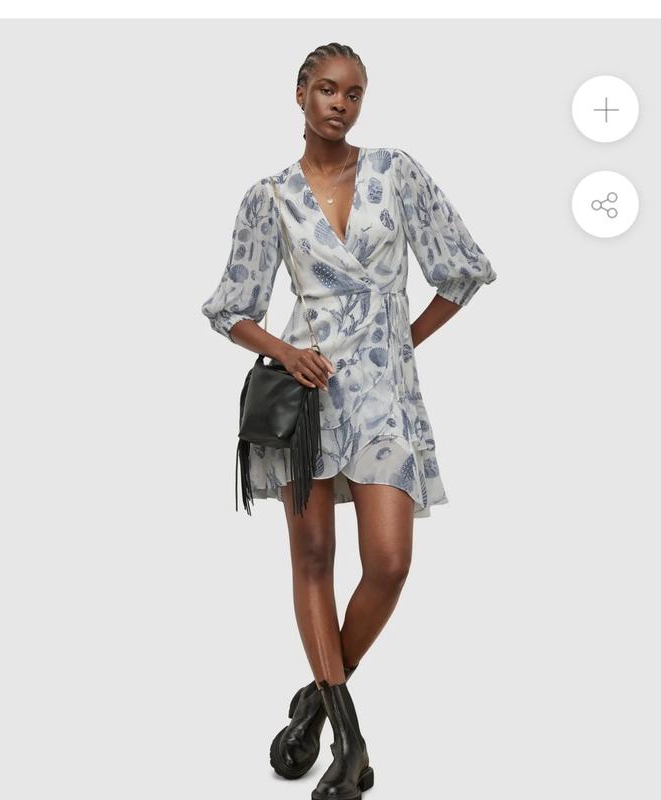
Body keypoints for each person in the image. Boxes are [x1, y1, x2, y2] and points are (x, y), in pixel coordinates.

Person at [201, 42, 497, 800]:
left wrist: (401, 343)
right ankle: (350, 743)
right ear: (300, 93)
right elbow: (230, 306)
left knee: (389, 564)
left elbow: (462, 269)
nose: (341, 103)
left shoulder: (397, 173)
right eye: (328, 89)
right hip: (306, 398)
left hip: (383, 397)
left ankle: (311, 705)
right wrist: (284, 351)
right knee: (312, 561)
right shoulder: (269, 197)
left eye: (355, 93)